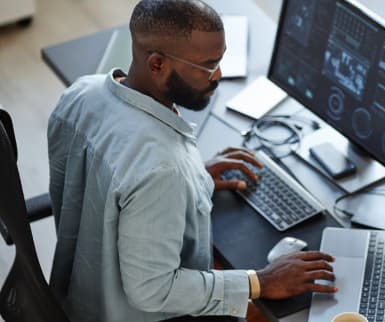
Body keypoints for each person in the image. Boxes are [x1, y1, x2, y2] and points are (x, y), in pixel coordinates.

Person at [47, 0, 337, 321]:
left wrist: (194, 181)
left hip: (77, 290)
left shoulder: (80, 93)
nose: (219, 75)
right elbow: (153, 290)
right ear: (157, 64)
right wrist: (261, 281)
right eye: (209, 65)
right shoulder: (162, 168)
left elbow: (109, 181)